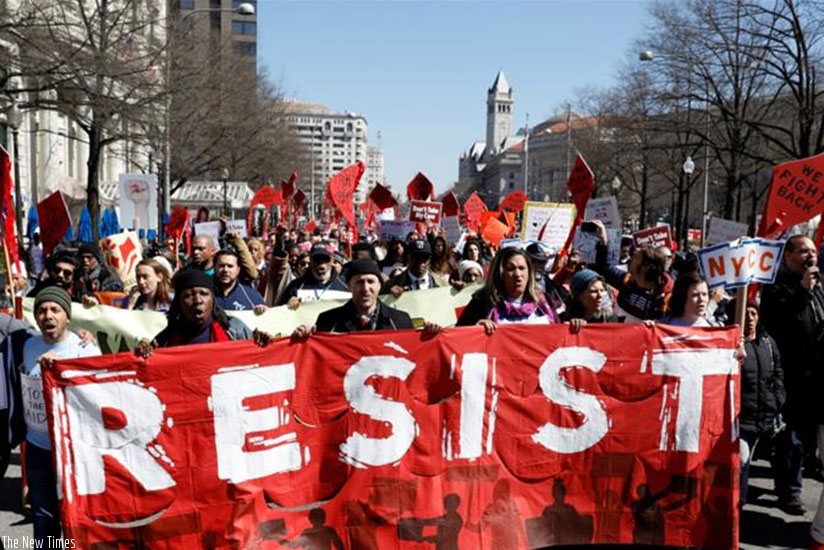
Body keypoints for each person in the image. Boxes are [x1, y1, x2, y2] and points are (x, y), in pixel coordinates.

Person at [22, 287, 101, 543]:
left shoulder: (84, 348)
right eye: (42, 310)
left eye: (55, 310)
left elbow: (96, 399)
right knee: (44, 523)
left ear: (67, 316)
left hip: (74, 450)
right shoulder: (28, 345)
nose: (48, 315)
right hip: (38, 448)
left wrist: (60, 372)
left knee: (79, 522)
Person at [761, 235, 824, 519]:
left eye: (813, 251)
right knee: (792, 436)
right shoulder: (778, 289)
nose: (810, 256)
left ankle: (800, 473)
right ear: (787, 257)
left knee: (807, 436)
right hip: (790, 374)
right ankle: (790, 491)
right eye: (803, 251)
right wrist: (803, 290)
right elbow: (786, 323)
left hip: (816, 375)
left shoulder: (818, 287)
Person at [728, 299, 785, 507]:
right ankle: (738, 507)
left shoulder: (767, 343)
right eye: (745, 313)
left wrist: (777, 400)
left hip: (764, 417)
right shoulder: (731, 344)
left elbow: (777, 373)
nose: (750, 318)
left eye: (754, 313)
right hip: (741, 418)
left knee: (747, 461)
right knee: (742, 462)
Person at [293, 260, 414, 336]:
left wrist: (430, 336)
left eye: (370, 281)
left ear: (380, 286)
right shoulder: (328, 321)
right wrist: (302, 340)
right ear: (349, 286)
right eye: (359, 282)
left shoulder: (400, 321)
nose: (365, 288)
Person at [141, 270, 254, 351]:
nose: (198, 301)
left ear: (213, 300)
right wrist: (145, 354)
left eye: (204, 294)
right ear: (179, 303)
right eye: (188, 296)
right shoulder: (166, 339)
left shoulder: (234, 330)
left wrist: (262, 342)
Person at [456, 247, 559, 332]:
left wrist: (572, 327)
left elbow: (559, 337)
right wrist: (473, 330)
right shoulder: (482, 302)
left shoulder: (545, 302)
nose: (518, 274)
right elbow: (457, 339)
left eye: (522, 268)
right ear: (500, 273)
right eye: (510, 269)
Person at [592, 221, 672, 323]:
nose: (630, 260)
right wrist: (603, 240)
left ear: (645, 267)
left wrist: (656, 324)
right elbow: (604, 269)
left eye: (635, 258)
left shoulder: (666, 296)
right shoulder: (628, 281)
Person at [278, 244, 349, 308]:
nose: (321, 263)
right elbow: (281, 313)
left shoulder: (345, 286)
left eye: (325, 259)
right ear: (311, 260)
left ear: (332, 260)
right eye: (316, 259)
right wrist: (288, 305)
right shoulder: (296, 286)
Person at [213, 249, 267, 313]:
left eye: (230, 266)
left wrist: (263, 312)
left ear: (238, 270)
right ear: (214, 268)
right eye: (221, 266)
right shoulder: (204, 292)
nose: (225, 270)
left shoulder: (252, 297)